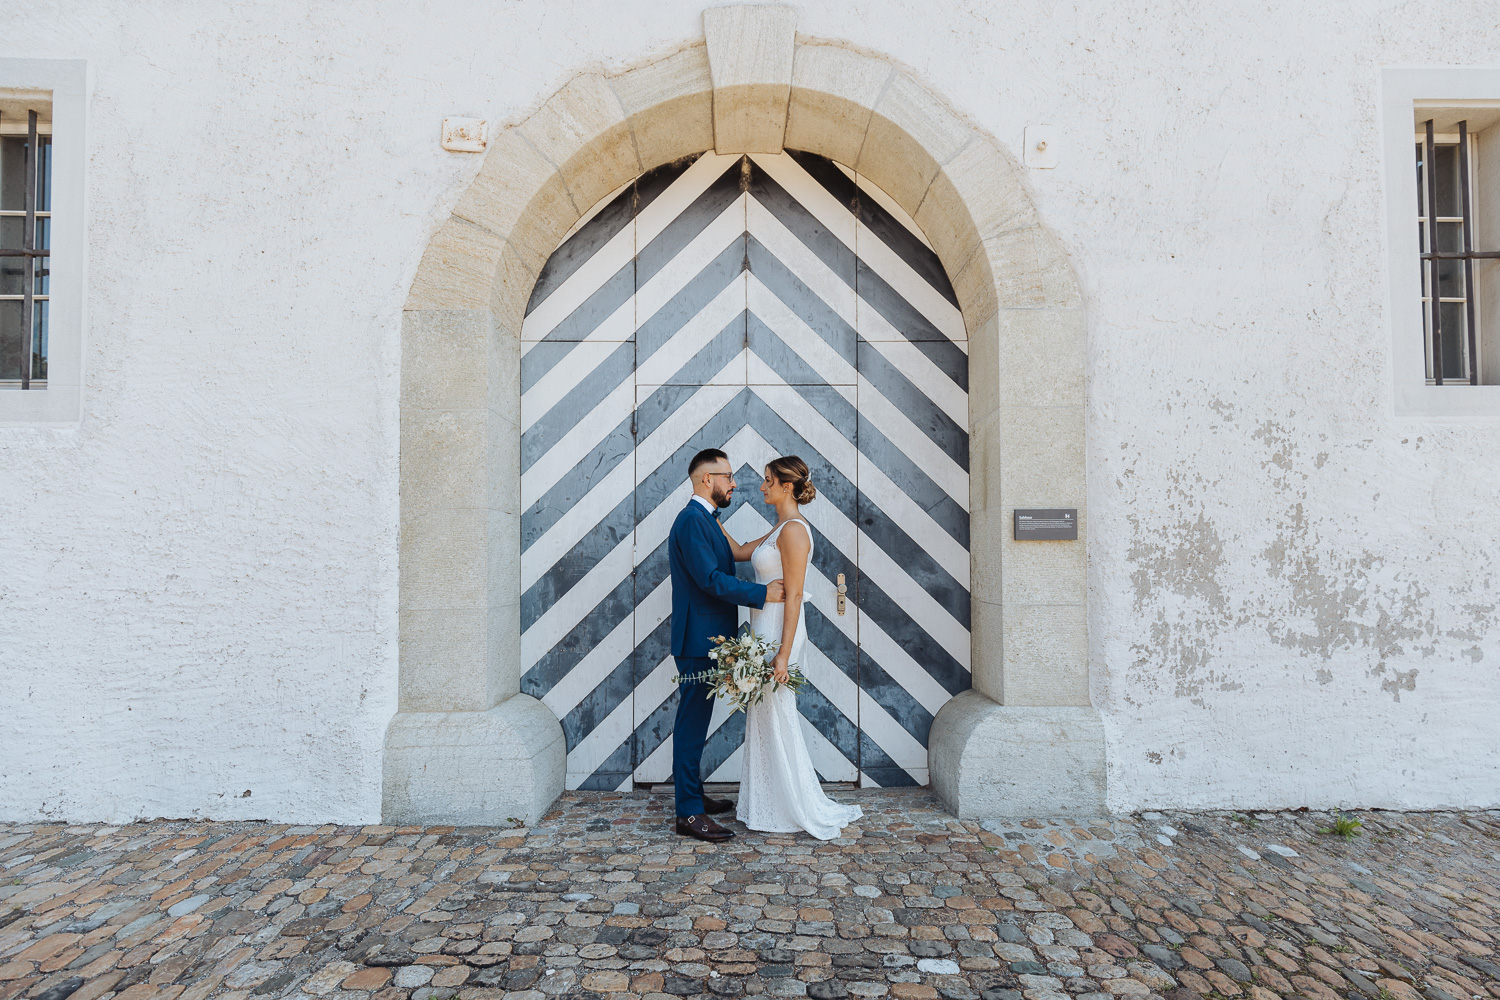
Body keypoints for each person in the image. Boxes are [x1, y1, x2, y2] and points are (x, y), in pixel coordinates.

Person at [718, 455, 864, 840]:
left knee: (778, 711)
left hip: (782, 632)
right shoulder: (776, 528)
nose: (761, 486)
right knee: (764, 715)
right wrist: (708, 514)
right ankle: (766, 801)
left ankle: (792, 805)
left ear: (786, 486)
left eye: (767, 480)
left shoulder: (795, 531)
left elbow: (796, 595)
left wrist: (783, 653)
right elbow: (736, 552)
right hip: (763, 628)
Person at [668, 448, 784, 842]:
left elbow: (737, 552)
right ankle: (688, 813)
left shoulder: (708, 519)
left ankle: (693, 795)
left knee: (696, 722)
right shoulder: (691, 521)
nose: (734, 483)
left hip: (708, 639)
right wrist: (763, 593)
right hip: (697, 641)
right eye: (728, 476)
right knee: (691, 724)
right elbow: (710, 580)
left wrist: (784, 526)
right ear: (707, 479)